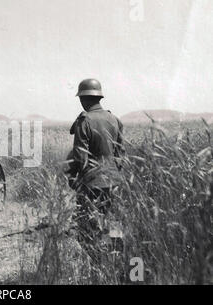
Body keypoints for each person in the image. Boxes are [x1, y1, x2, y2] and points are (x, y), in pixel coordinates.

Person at [67, 79, 124, 266]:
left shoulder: (84, 121)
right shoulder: (115, 119)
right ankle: (116, 263)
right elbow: (120, 155)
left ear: (83, 99)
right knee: (113, 224)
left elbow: (80, 158)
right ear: (99, 96)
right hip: (114, 181)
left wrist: (74, 179)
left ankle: (98, 264)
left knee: (86, 229)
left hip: (91, 184)